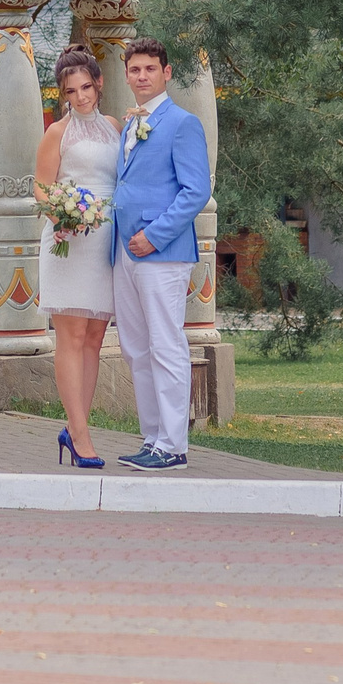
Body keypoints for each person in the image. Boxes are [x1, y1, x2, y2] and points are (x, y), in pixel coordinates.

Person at [108, 37, 210, 470]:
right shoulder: (131, 124)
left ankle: (174, 445)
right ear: (127, 74)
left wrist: (155, 235)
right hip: (124, 253)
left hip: (162, 253)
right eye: (135, 70)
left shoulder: (182, 123)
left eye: (150, 68)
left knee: (166, 345)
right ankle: (152, 438)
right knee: (135, 347)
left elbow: (196, 191)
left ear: (166, 73)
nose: (142, 76)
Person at [34, 47, 119, 468]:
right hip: (68, 241)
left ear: (99, 84)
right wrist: (61, 215)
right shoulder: (57, 133)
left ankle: (76, 427)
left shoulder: (117, 128)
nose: (81, 96)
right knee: (69, 337)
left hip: (105, 243)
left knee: (94, 340)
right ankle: (81, 435)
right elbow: (42, 188)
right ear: (63, 94)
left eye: (87, 86)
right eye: (72, 91)